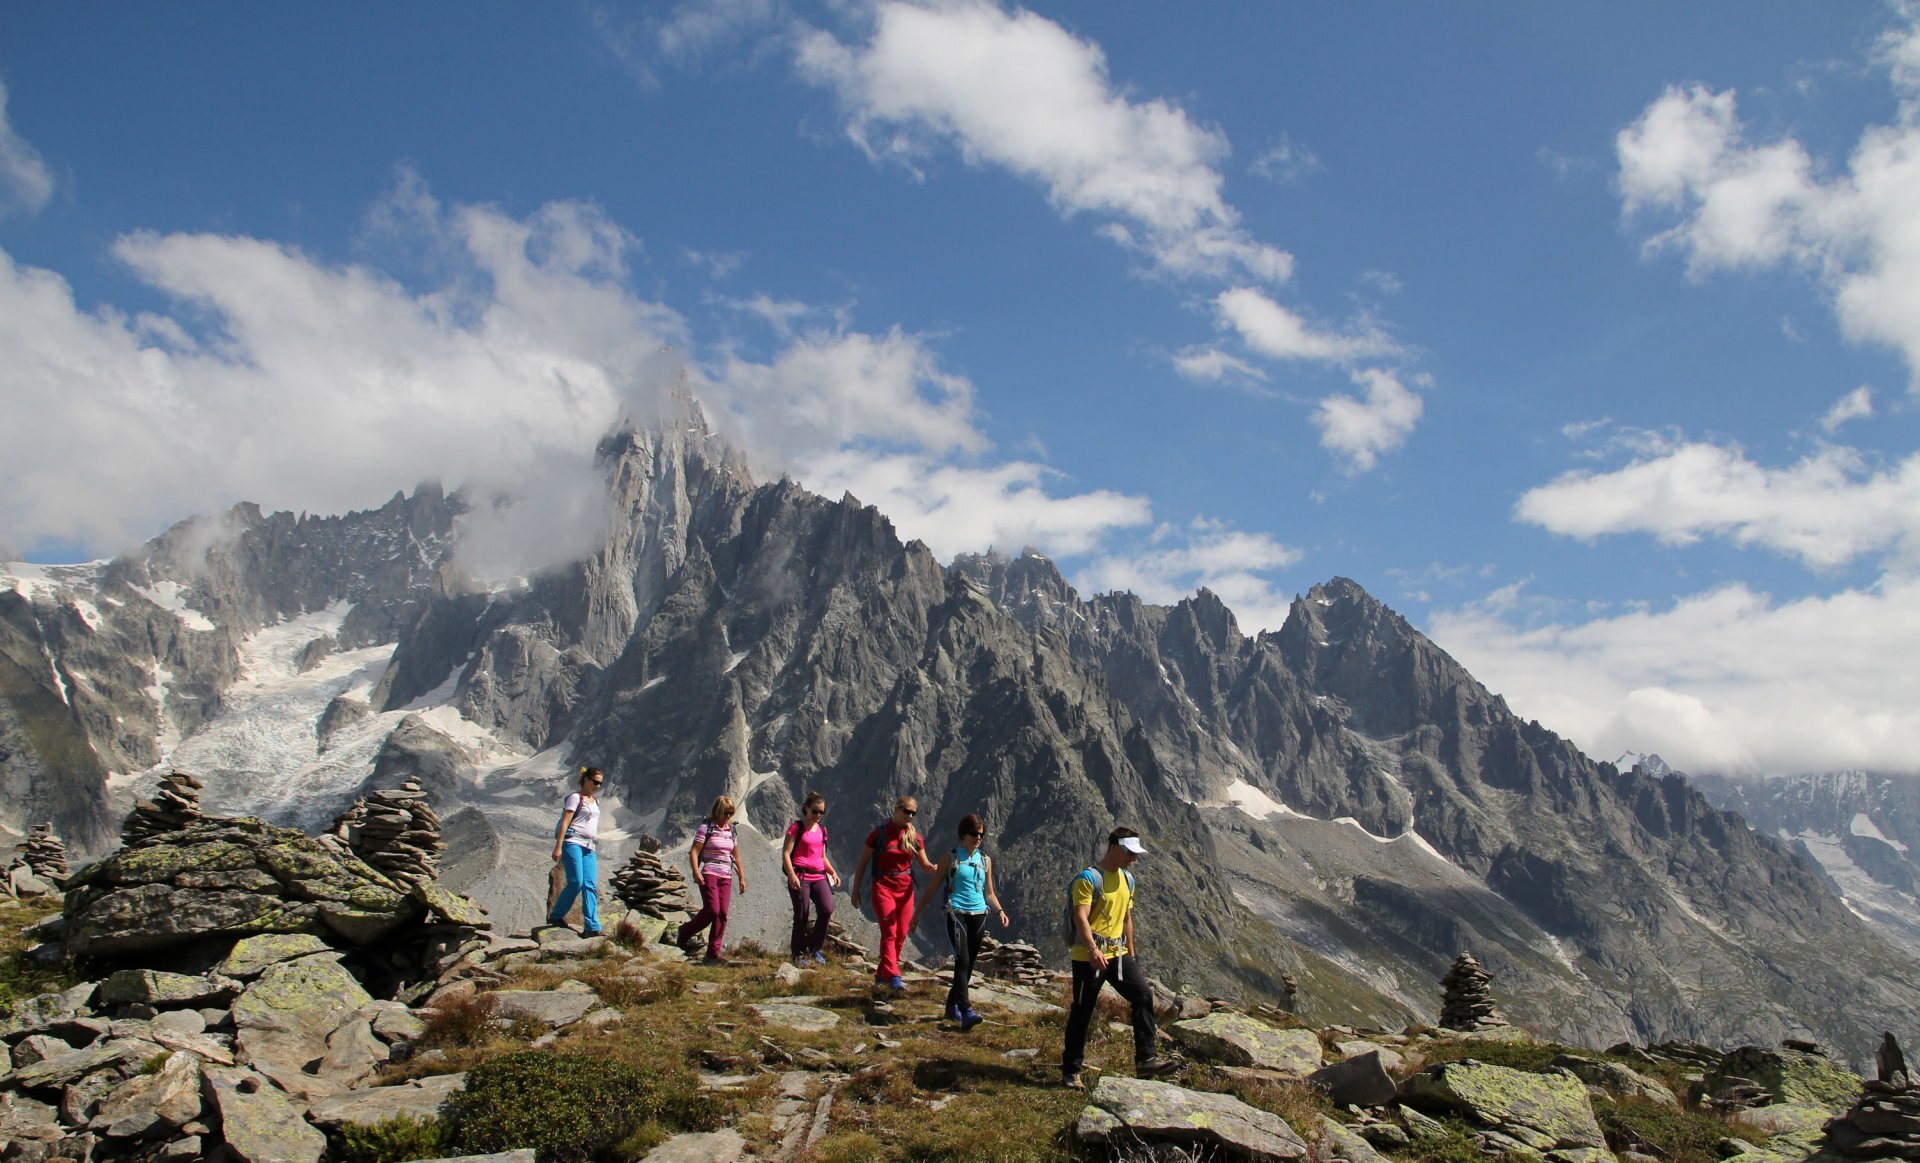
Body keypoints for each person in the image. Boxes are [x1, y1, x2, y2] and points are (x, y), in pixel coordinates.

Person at [1060, 827, 1179, 1090]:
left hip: (1118, 953)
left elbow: (1127, 918)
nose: (1132, 858)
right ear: (1113, 848)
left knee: (1143, 996)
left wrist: (1131, 953)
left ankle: (1146, 1059)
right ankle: (1071, 1070)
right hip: (1088, 956)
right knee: (1082, 1010)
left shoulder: (1128, 879)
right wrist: (1092, 950)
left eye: (1135, 854)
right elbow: (1081, 917)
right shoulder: (1088, 879)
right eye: (1129, 853)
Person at [915, 812, 1008, 1030]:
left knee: (967, 965)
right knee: (963, 961)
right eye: (974, 834)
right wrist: (917, 913)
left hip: (979, 914)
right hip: (956, 913)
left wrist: (1000, 911)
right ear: (963, 834)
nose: (978, 838)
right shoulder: (951, 857)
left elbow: (989, 893)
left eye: (981, 835)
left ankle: (951, 1007)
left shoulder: (985, 861)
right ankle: (966, 1010)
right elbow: (933, 887)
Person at [848, 795, 937, 992]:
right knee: (889, 930)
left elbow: (924, 865)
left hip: (905, 889)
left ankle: (883, 974)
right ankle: (895, 975)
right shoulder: (878, 834)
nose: (910, 816)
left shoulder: (914, 837)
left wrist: (935, 868)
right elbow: (862, 862)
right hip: (883, 886)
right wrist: (855, 891)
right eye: (907, 811)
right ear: (896, 810)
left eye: (914, 813)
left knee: (901, 933)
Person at [677, 795, 747, 964]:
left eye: (731, 813)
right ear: (718, 811)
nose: (728, 816)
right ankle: (685, 931)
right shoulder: (706, 828)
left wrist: (742, 878)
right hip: (709, 872)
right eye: (725, 813)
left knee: (722, 913)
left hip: (726, 875)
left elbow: (736, 856)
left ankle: (713, 952)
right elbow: (694, 851)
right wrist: (696, 871)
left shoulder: (731, 830)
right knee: (712, 910)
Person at [782, 791, 842, 966]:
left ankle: (815, 949)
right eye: (815, 811)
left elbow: (822, 856)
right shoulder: (796, 828)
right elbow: (786, 853)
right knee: (802, 914)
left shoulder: (822, 830)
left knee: (826, 909)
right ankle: (798, 954)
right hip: (800, 875)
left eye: (821, 812)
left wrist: (832, 872)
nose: (818, 815)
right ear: (806, 808)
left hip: (818, 875)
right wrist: (792, 875)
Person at [548, 766, 605, 936]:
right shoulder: (575, 798)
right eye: (595, 782)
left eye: (600, 783)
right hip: (572, 842)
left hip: (589, 846)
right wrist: (558, 846)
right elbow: (566, 822)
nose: (598, 786)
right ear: (586, 780)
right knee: (576, 882)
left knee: (590, 885)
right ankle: (556, 915)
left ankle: (592, 927)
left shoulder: (596, 801)